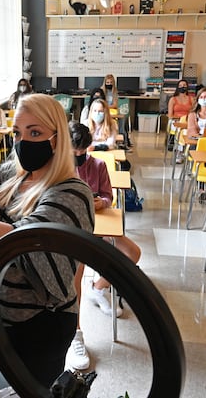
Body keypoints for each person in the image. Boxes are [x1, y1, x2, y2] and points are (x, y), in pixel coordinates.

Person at [0, 93, 94, 387]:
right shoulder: (16, 172)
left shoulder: (73, 193)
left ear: (57, 139)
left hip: (41, 324)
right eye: (18, 132)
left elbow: (20, 237)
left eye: (35, 132)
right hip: (1, 309)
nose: (23, 141)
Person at [65, 122, 141, 371]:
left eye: (82, 153)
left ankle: (99, 287)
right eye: (73, 152)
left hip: (99, 224)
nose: (78, 157)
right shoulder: (60, 167)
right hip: (75, 231)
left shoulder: (97, 166)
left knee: (133, 253)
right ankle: (76, 334)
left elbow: (109, 196)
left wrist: (101, 202)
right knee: (76, 272)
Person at [167, 79, 195, 161]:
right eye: (180, 85)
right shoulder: (173, 99)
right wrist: (179, 120)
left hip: (188, 121)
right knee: (182, 131)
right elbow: (170, 115)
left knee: (188, 130)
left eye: (184, 85)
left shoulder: (191, 99)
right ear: (177, 87)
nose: (182, 87)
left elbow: (194, 112)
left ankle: (187, 151)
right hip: (175, 122)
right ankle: (179, 152)